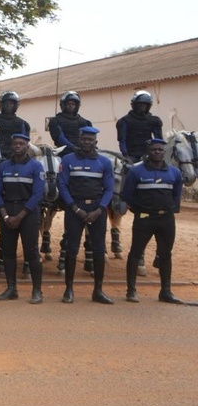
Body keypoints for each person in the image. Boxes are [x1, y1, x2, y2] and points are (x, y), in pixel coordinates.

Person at [122, 138, 185, 304]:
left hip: (166, 220)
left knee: (165, 254)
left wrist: (169, 209)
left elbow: (176, 195)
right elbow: (127, 194)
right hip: (144, 219)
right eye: (153, 149)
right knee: (135, 253)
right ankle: (131, 291)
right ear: (147, 152)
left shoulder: (174, 173)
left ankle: (166, 292)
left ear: (164, 152)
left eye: (160, 150)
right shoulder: (136, 172)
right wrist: (140, 210)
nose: (157, 152)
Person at [58, 126, 115, 304]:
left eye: (90, 140)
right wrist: (75, 209)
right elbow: (62, 185)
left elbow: (109, 189)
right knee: (71, 249)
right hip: (75, 209)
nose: (86, 142)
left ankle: (98, 290)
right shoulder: (67, 160)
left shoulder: (104, 162)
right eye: (84, 139)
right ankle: (69, 289)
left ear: (95, 142)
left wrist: (100, 209)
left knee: (98, 250)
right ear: (79, 140)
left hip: (97, 209)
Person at [0, 134, 44, 302]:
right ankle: (11, 289)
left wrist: (19, 217)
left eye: (21, 143)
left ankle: (37, 291)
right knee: (8, 252)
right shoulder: (3, 166)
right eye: (15, 143)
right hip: (8, 211)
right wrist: (5, 215)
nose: (17, 146)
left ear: (27, 147)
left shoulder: (36, 166)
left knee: (32, 252)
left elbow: (37, 194)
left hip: (28, 213)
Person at [116, 90, 163, 163]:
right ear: (134, 105)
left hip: (149, 154)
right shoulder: (124, 121)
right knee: (126, 168)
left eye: (145, 105)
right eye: (140, 104)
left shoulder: (154, 121)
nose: (142, 107)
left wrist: (158, 153)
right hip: (131, 156)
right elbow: (122, 140)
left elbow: (159, 139)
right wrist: (126, 156)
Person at [0, 91, 30, 160]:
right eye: (6, 103)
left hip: (16, 159)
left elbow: (25, 144)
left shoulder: (23, 124)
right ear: (1, 105)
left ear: (15, 105)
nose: (8, 106)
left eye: (11, 103)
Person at [48, 91, 92, 156]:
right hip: (63, 153)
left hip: (83, 152)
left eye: (73, 104)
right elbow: (60, 138)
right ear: (63, 105)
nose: (71, 106)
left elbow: (90, 138)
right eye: (68, 104)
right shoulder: (55, 121)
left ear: (77, 106)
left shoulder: (85, 122)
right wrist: (73, 148)